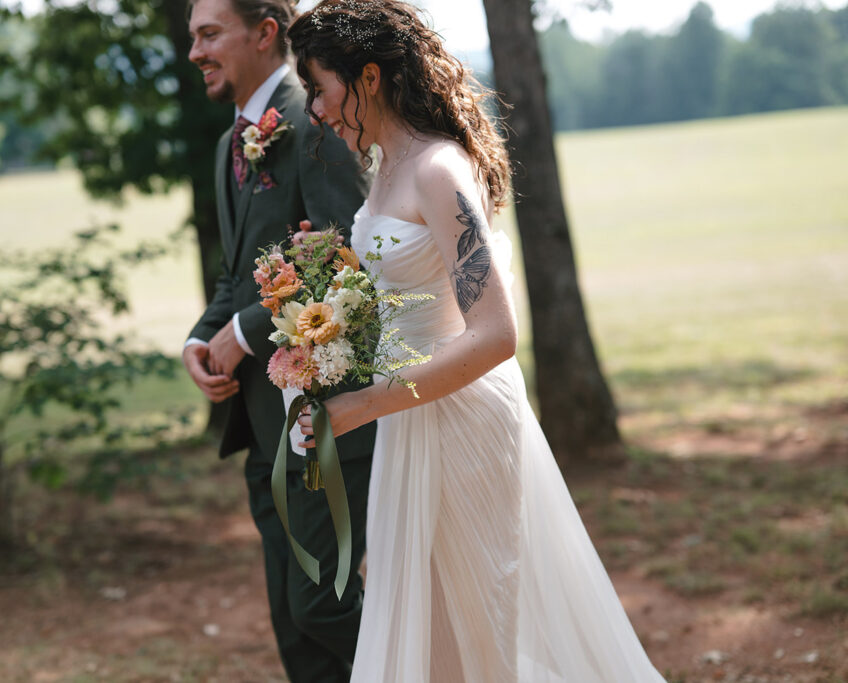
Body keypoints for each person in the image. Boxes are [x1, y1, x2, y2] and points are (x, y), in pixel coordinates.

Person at [288, 1, 667, 681]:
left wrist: (364, 405)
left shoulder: (438, 170)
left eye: (320, 87)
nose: (314, 107)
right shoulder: (384, 169)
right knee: (427, 627)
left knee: (480, 625)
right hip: (411, 419)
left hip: (462, 420)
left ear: (367, 77)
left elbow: (496, 334)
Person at [183, 1, 375, 681]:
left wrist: (244, 331)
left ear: (265, 33)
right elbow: (237, 273)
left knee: (324, 608)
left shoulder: (316, 121)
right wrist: (204, 337)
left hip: (324, 418)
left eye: (209, 34)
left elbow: (345, 255)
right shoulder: (227, 142)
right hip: (263, 429)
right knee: (298, 637)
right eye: (193, 38)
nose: (195, 52)